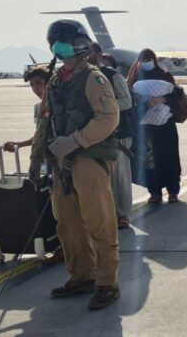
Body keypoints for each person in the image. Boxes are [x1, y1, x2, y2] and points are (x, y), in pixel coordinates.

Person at [30, 19, 120, 309]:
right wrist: (35, 158)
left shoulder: (94, 78)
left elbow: (108, 118)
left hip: (89, 160)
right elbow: (45, 121)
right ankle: (82, 275)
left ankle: (107, 283)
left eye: (64, 40)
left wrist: (76, 140)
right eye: (55, 42)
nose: (58, 46)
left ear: (79, 44)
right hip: (60, 164)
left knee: (99, 223)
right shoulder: (55, 80)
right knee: (67, 224)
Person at [88, 43, 134, 229]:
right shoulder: (82, 77)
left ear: (98, 54)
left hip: (118, 134)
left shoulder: (113, 76)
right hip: (94, 134)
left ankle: (122, 213)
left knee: (119, 175)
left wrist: (105, 108)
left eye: (88, 51)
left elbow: (126, 101)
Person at [128, 49, 182, 203]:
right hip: (146, 128)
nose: (146, 62)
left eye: (148, 59)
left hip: (165, 126)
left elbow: (177, 98)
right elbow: (131, 99)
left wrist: (162, 99)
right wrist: (145, 101)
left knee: (169, 157)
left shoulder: (165, 75)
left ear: (154, 59)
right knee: (149, 160)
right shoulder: (135, 78)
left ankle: (173, 191)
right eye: (143, 60)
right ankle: (155, 192)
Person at [3, 67, 50, 151]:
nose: (35, 88)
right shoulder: (38, 108)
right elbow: (39, 136)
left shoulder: (58, 105)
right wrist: (18, 144)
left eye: (38, 83)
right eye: (32, 84)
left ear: (48, 83)